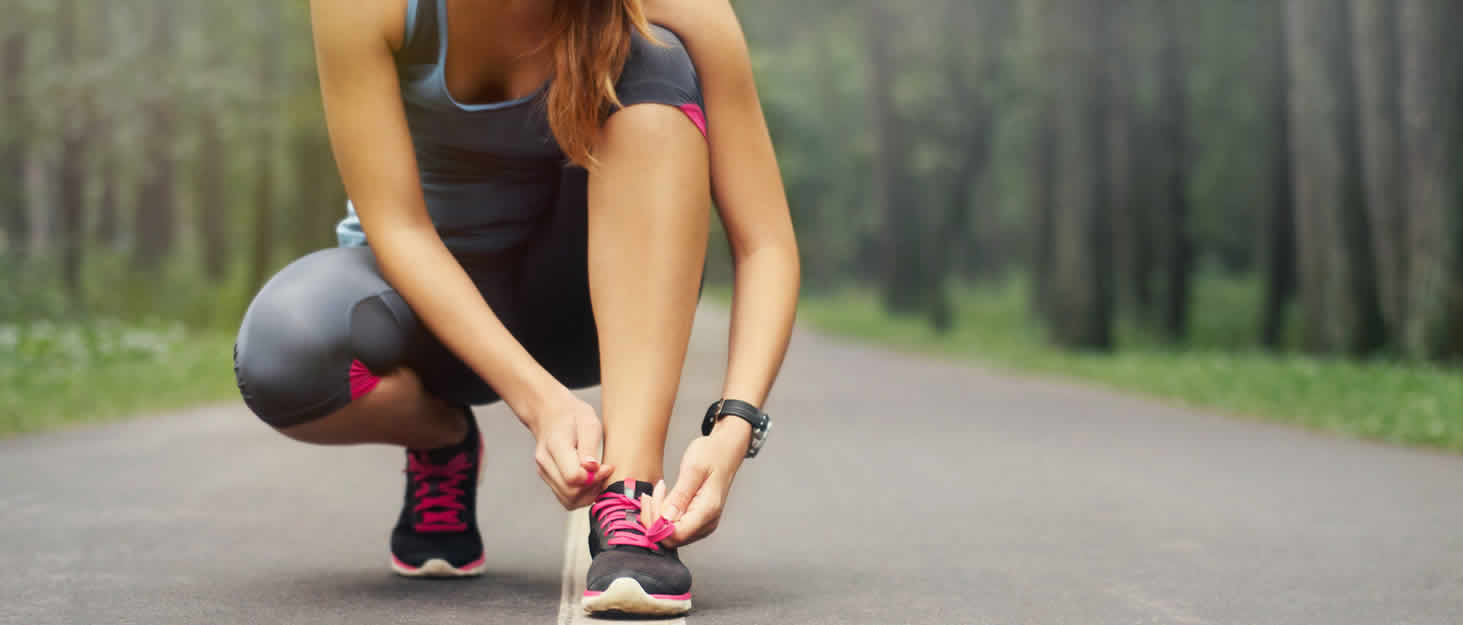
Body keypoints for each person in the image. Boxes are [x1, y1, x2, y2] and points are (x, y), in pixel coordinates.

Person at [232, 0, 798, 617]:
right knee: (283, 354)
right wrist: (539, 402)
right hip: (432, 316)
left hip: (583, 313)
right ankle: (442, 438)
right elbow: (397, 228)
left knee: (655, 55)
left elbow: (765, 243)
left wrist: (734, 429)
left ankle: (630, 498)